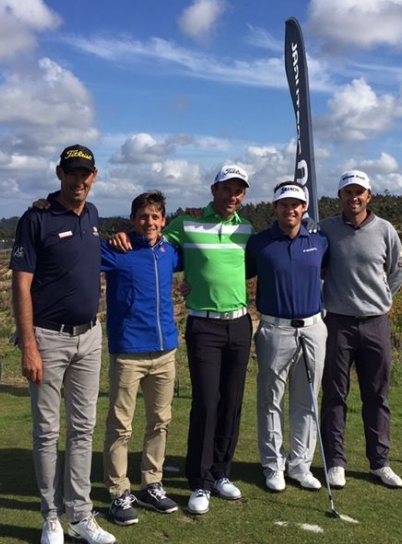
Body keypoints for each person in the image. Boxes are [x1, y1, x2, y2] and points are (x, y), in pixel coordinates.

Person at [110, 164, 253, 515]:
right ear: (214, 190)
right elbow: (152, 241)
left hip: (239, 323)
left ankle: (221, 472)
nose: (232, 195)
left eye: (238, 190)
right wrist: (122, 234)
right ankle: (200, 481)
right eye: (226, 188)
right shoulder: (186, 224)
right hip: (204, 325)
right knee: (206, 402)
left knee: (232, 403)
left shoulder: (247, 229)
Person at [9, 144, 116, 544]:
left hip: (89, 336)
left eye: (85, 174)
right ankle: (51, 516)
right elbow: (20, 285)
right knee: (47, 432)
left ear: (94, 176)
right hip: (48, 339)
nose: (79, 180)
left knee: (83, 429)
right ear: (59, 174)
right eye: (72, 173)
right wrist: (29, 345)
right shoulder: (36, 218)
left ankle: (81, 515)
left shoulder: (93, 215)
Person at [319, 169, 402, 490]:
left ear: (369, 196)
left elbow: (397, 271)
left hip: (375, 323)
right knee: (334, 394)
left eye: (359, 192)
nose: (353, 198)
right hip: (337, 323)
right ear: (339, 196)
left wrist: (381, 299)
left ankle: (379, 462)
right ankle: (335, 462)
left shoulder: (385, 230)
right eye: (348, 192)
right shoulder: (325, 229)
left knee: (377, 395)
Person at [100, 191, 182, 527]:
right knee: (121, 426)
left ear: (163, 221)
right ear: (133, 220)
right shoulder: (116, 250)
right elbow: (76, 255)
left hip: (165, 352)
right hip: (128, 352)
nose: (149, 222)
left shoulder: (169, 252)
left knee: (159, 422)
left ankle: (151, 484)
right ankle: (119, 491)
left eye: (155, 217)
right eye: (143, 216)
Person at [245, 181, 329, 493]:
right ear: (275, 207)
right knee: (271, 400)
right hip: (274, 329)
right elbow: (233, 272)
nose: (290, 210)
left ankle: (300, 465)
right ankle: (273, 465)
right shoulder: (259, 243)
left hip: (313, 328)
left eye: (296, 204)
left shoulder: (319, 242)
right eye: (284, 204)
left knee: (307, 400)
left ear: (304, 208)